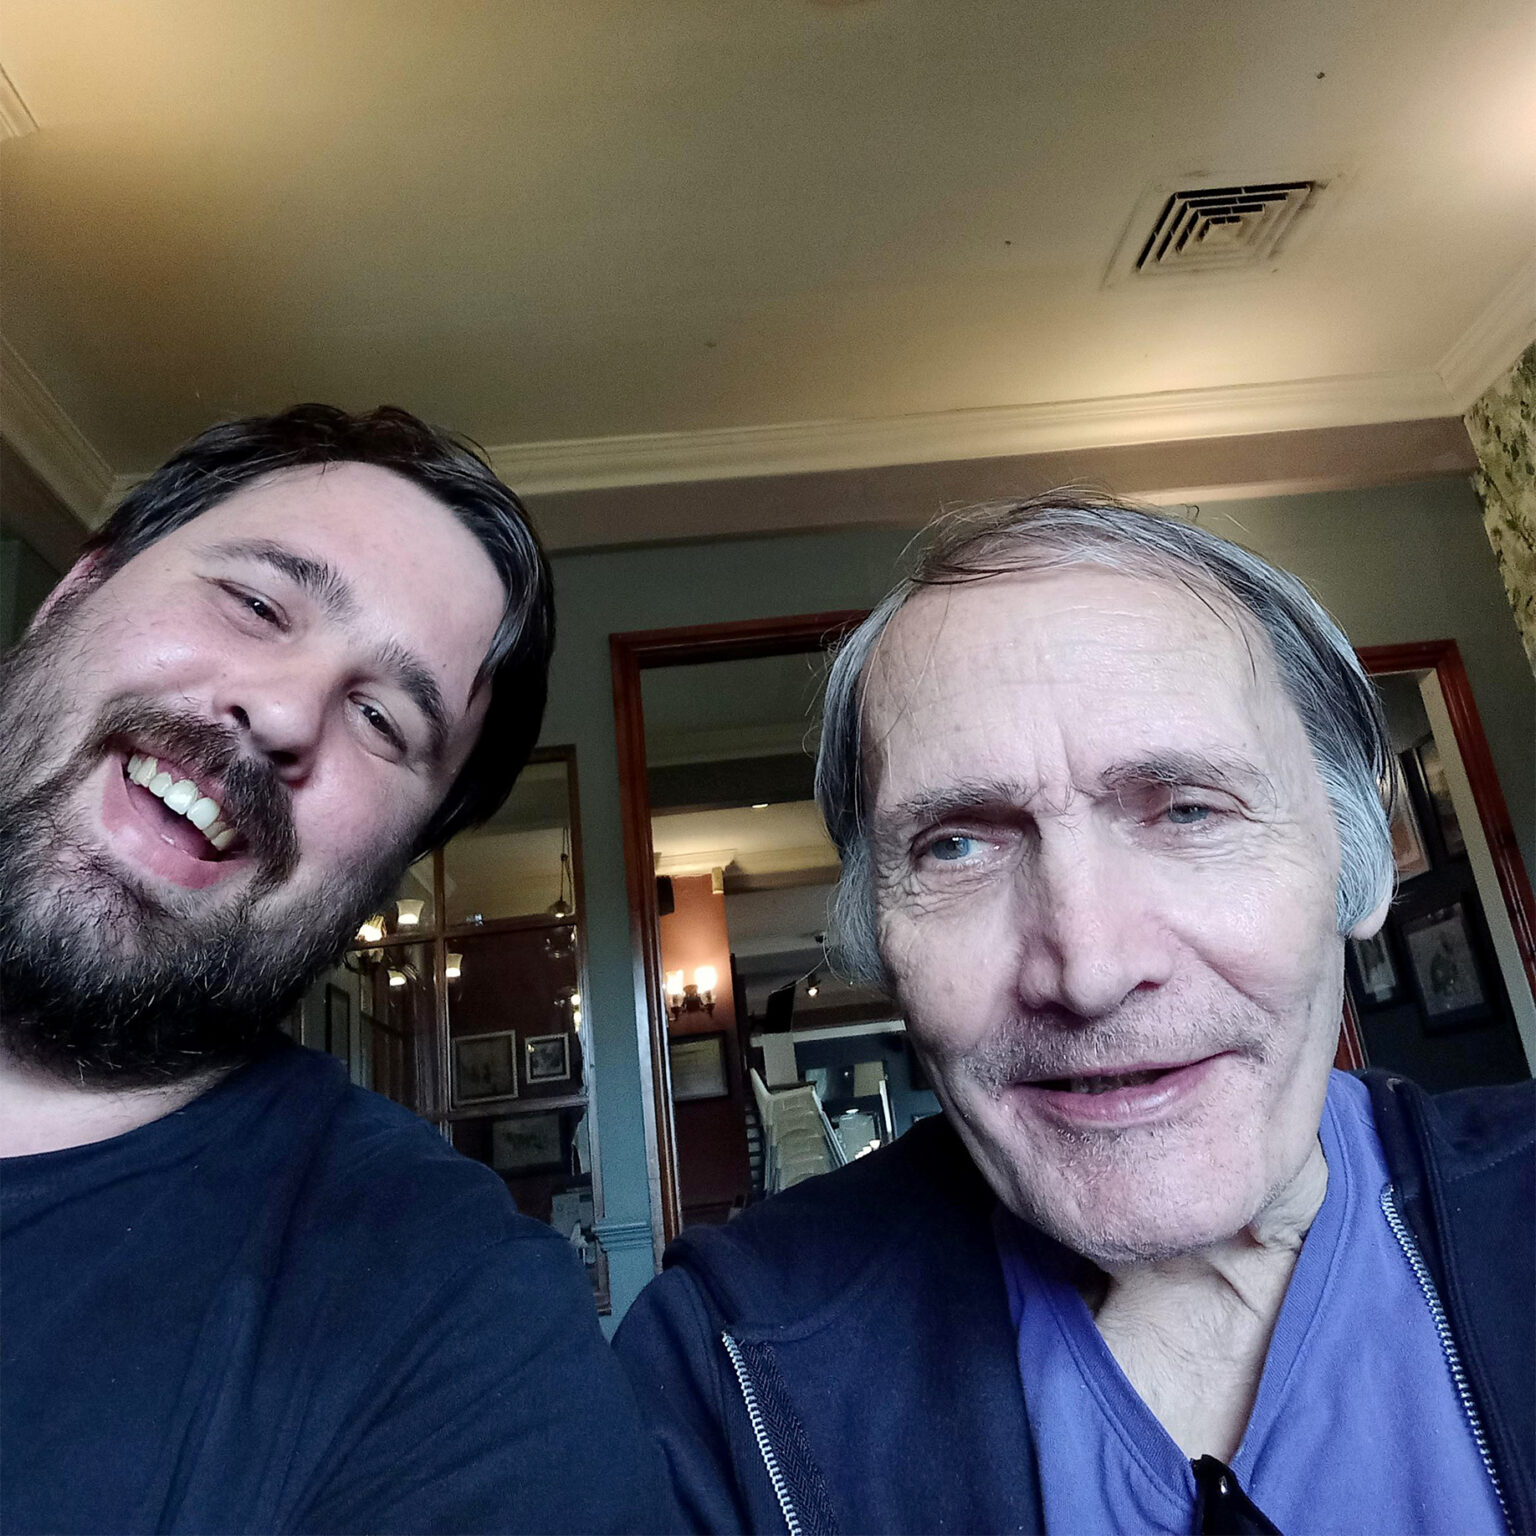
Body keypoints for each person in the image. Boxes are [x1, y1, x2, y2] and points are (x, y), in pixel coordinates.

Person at [615, 491, 1534, 1535]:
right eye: (957, 845)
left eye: (1190, 810)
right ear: (878, 933)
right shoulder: (718, 1376)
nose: (1089, 970)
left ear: (1357, 862)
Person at [0, 405, 668, 1534]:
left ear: (396, 863)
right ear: (75, 592)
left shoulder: (454, 1327)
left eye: (380, 719)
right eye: (258, 604)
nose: (280, 713)